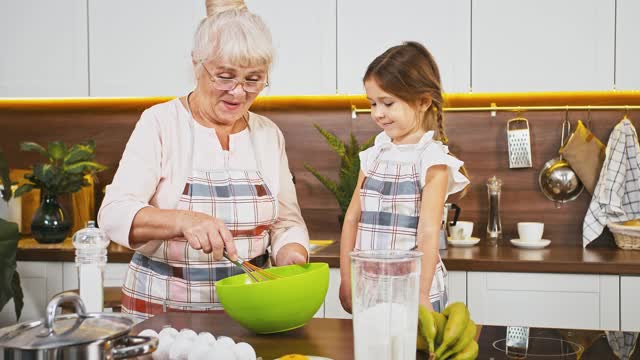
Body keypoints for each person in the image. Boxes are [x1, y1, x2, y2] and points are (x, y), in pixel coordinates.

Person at [98, 0, 309, 319]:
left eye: (254, 79)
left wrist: (291, 253)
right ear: (197, 65)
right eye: (225, 76)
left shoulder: (268, 134)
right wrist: (184, 220)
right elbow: (113, 213)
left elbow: (286, 222)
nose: (238, 92)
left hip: (250, 312)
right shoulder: (161, 123)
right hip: (163, 314)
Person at [339, 41, 470, 313]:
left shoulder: (431, 159)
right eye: (372, 103)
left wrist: (421, 294)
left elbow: (428, 231)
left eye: (387, 103)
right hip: (372, 290)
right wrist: (346, 279)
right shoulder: (374, 154)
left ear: (423, 101)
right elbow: (352, 218)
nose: (377, 113)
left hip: (413, 291)